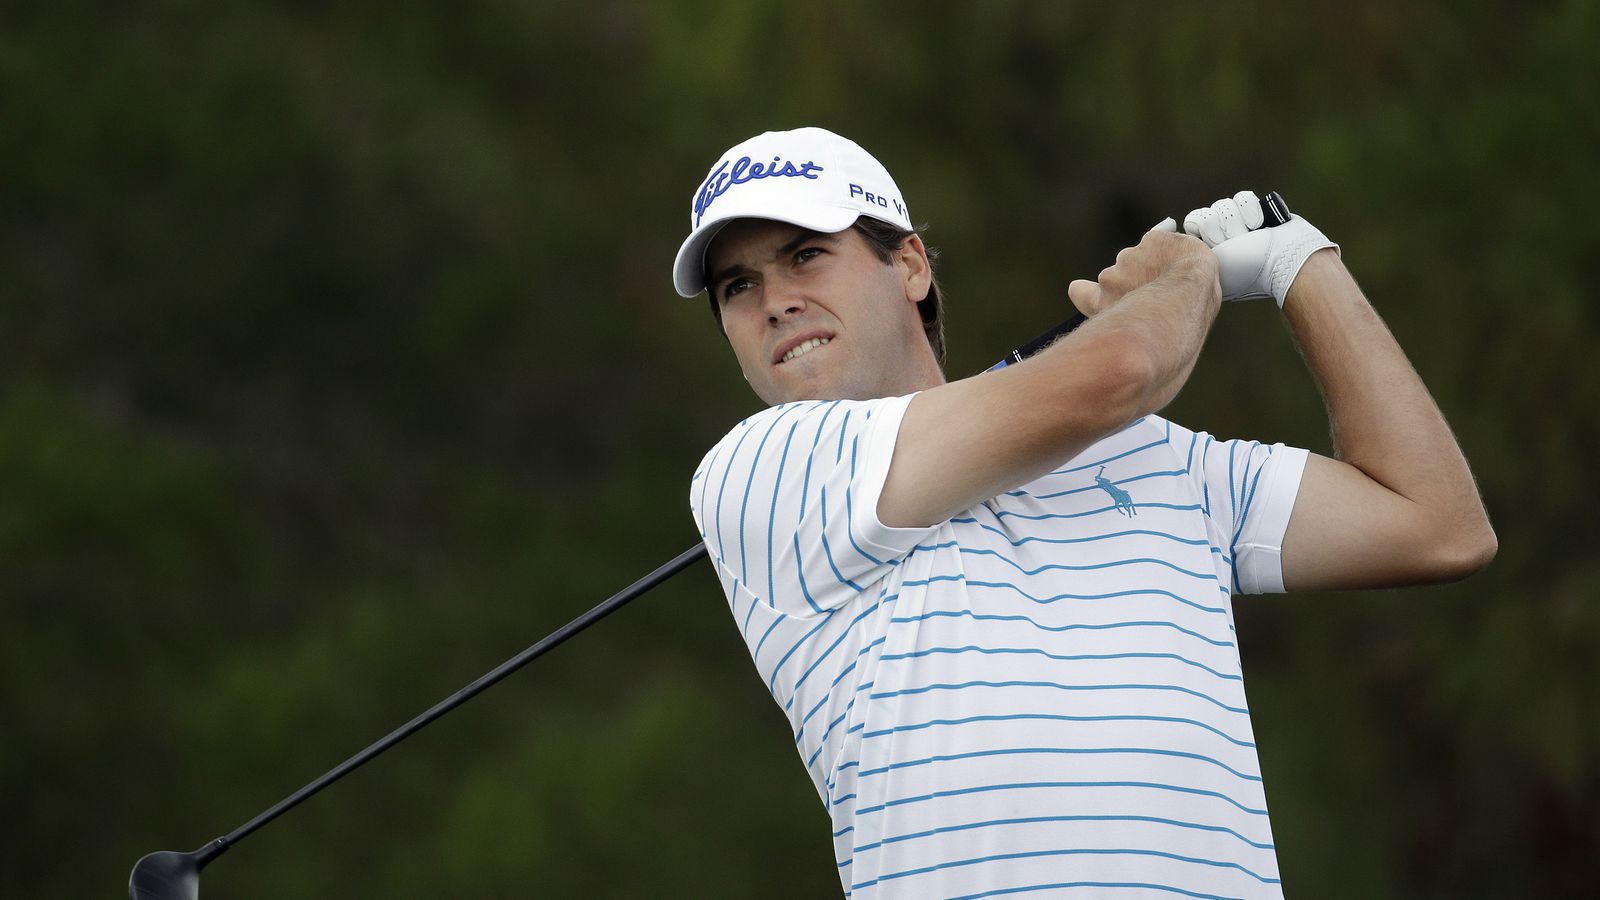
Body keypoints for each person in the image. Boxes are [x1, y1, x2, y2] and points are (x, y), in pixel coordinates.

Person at [673, 126, 1495, 899]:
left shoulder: (1154, 456)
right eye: (739, 286)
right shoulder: (758, 475)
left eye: (806, 255)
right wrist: (1185, 276)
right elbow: (1122, 368)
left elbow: (1436, 525)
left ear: (911, 265)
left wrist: (1301, 264)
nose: (775, 301)